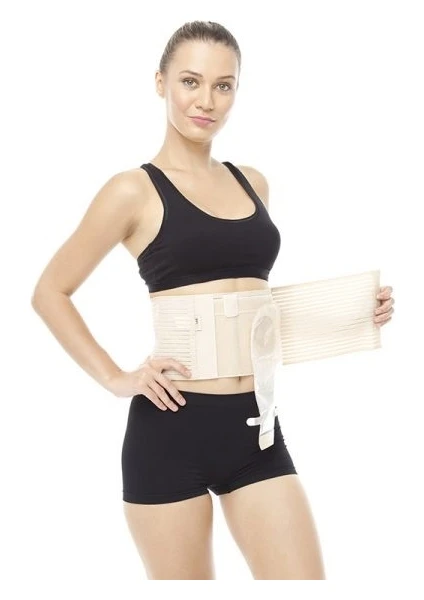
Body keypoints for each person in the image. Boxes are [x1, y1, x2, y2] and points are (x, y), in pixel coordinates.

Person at [31, 20, 395, 580]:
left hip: (256, 427)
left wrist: (348, 314)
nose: (207, 101)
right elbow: (50, 291)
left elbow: (253, 312)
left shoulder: (253, 182)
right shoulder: (133, 190)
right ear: (160, 82)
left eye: (224, 86)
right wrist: (116, 378)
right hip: (170, 428)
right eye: (191, 81)